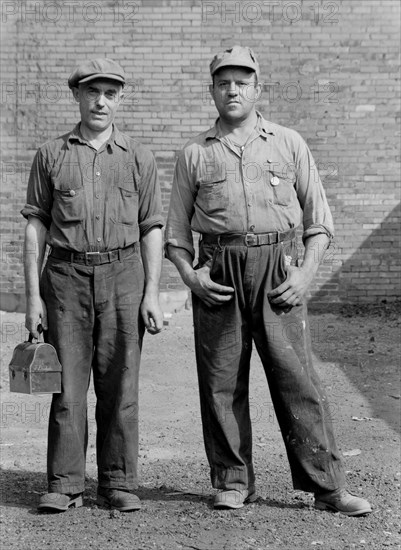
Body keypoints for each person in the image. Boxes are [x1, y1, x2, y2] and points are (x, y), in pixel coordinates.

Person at [165, 46, 372, 516]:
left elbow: (319, 222)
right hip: (219, 271)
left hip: (279, 268)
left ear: (258, 89)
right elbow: (176, 233)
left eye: (242, 82)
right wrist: (190, 275)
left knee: (298, 380)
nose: (232, 90)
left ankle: (328, 487)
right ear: (212, 90)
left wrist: (306, 273)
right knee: (221, 382)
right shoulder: (194, 153)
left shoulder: (288, 143)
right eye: (223, 82)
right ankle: (234, 481)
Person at [22, 58, 164, 513]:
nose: (100, 101)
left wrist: (152, 293)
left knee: (121, 384)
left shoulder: (139, 157)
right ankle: (65, 483)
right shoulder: (51, 155)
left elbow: (152, 228)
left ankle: (119, 482)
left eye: (110, 93)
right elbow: (35, 227)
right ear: (77, 96)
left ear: (120, 98)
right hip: (65, 279)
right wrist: (31, 299)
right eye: (92, 92)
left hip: (124, 275)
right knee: (67, 387)